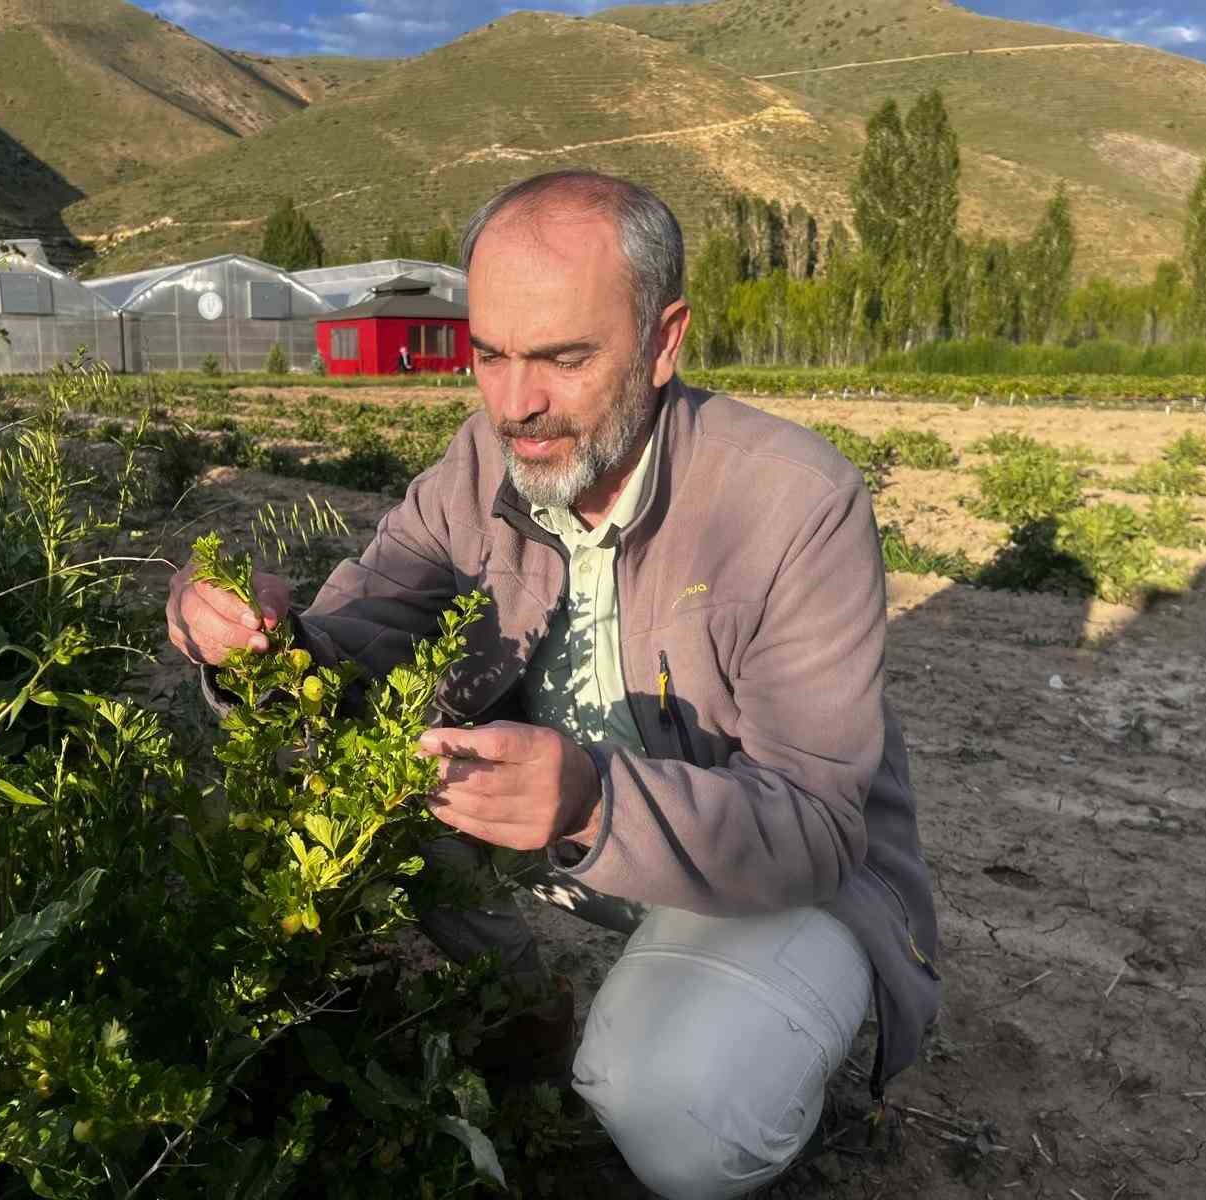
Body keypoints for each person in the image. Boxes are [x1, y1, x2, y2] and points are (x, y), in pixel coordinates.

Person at [167, 169, 940, 1199]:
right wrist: (260, 645)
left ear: (663, 341)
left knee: (676, 1110)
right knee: (362, 766)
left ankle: (751, 1050)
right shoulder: (476, 466)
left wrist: (589, 800)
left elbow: (815, 827)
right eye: (488, 354)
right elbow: (361, 643)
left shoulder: (795, 503)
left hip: (776, 876)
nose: (514, 404)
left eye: (564, 358)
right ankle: (523, 1010)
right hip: (571, 835)